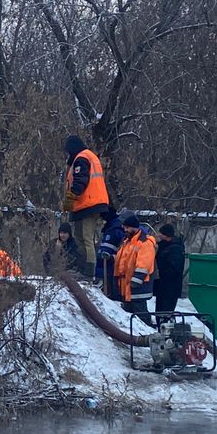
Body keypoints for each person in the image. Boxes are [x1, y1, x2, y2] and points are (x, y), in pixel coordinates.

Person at [62, 135, 110, 273]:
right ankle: (82, 268)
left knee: (85, 238)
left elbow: (79, 183)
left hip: (88, 203)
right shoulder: (90, 156)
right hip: (90, 203)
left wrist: (68, 202)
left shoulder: (81, 159)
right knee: (80, 238)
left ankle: (87, 271)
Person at [113, 215, 157, 325]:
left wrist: (136, 280)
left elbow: (144, 264)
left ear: (134, 227)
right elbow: (124, 260)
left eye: (127, 228)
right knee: (130, 314)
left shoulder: (145, 242)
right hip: (127, 285)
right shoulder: (127, 241)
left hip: (138, 286)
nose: (125, 230)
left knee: (140, 313)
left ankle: (147, 333)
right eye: (124, 227)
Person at [153, 222, 186, 318]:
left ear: (166, 235)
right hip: (163, 285)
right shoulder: (165, 246)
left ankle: (164, 325)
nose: (158, 235)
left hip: (170, 286)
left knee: (165, 312)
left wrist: (162, 275)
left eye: (161, 233)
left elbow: (174, 268)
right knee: (159, 312)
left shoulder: (175, 249)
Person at [96, 207, 126, 298]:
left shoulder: (115, 230)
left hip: (109, 267)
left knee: (110, 293)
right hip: (104, 266)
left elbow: (109, 249)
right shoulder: (110, 228)